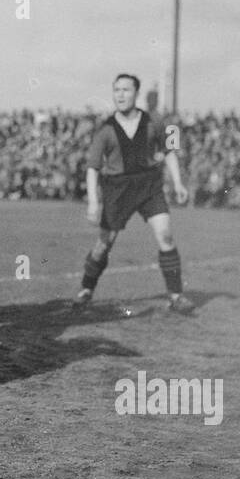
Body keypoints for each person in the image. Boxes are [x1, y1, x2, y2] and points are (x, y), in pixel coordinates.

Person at [77, 73, 196, 315]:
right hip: (117, 189)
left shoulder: (153, 121)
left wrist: (178, 183)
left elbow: (169, 151)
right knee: (103, 245)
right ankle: (86, 289)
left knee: (166, 236)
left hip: (148, 185)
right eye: (117, 90)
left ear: (136, 94)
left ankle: (175, 295)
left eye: (126, 90)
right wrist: (92, 202)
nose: (120, 95)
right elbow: (93, 167)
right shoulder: (106, 129)